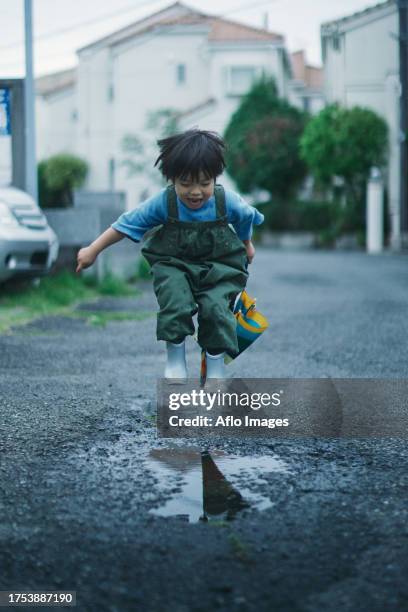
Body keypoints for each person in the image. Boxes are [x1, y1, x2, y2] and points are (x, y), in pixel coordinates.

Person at [76, 129, 264, 379]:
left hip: (219, 266)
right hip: (174, 264)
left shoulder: (226, 201)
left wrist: (247, 244)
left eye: (204, 183)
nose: (195, 192)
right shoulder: (164, 203)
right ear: (171, 178)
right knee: (175, 302)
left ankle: (215, 366)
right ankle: (175, 359)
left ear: (215, 179)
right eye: (185, 183)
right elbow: (125, 224)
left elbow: (246, 218)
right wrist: (93, 250)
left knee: (217, 311)